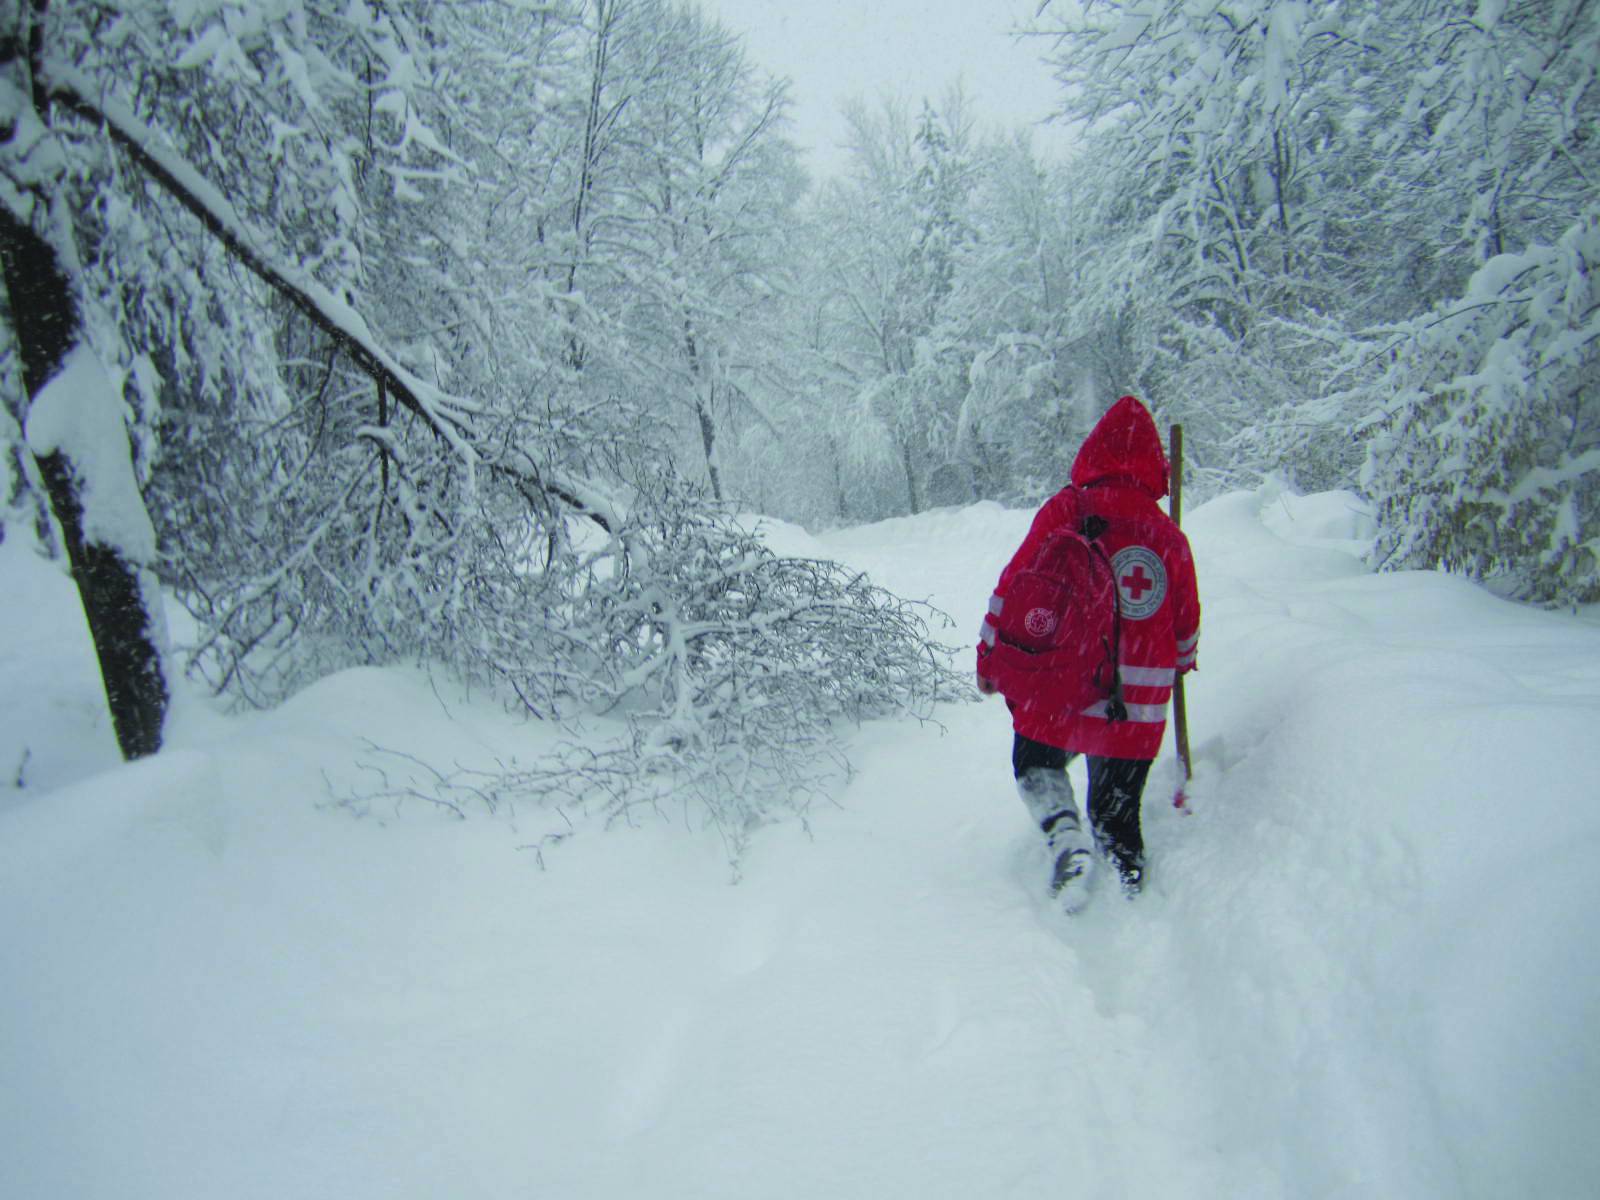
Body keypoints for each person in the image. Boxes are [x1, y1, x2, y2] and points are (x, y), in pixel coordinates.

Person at [975, 395, 1200, 910]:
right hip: (1137, 702)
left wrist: (989, 657)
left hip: (1061, 684)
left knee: (1035, 765)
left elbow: (1013, 588)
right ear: (1154, 468)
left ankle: (1065, 839)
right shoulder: (1166, 534)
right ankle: (1133, 901)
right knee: (1116, 812)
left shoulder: (1065, 510)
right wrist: (1181, 660)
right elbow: (1185, 622)